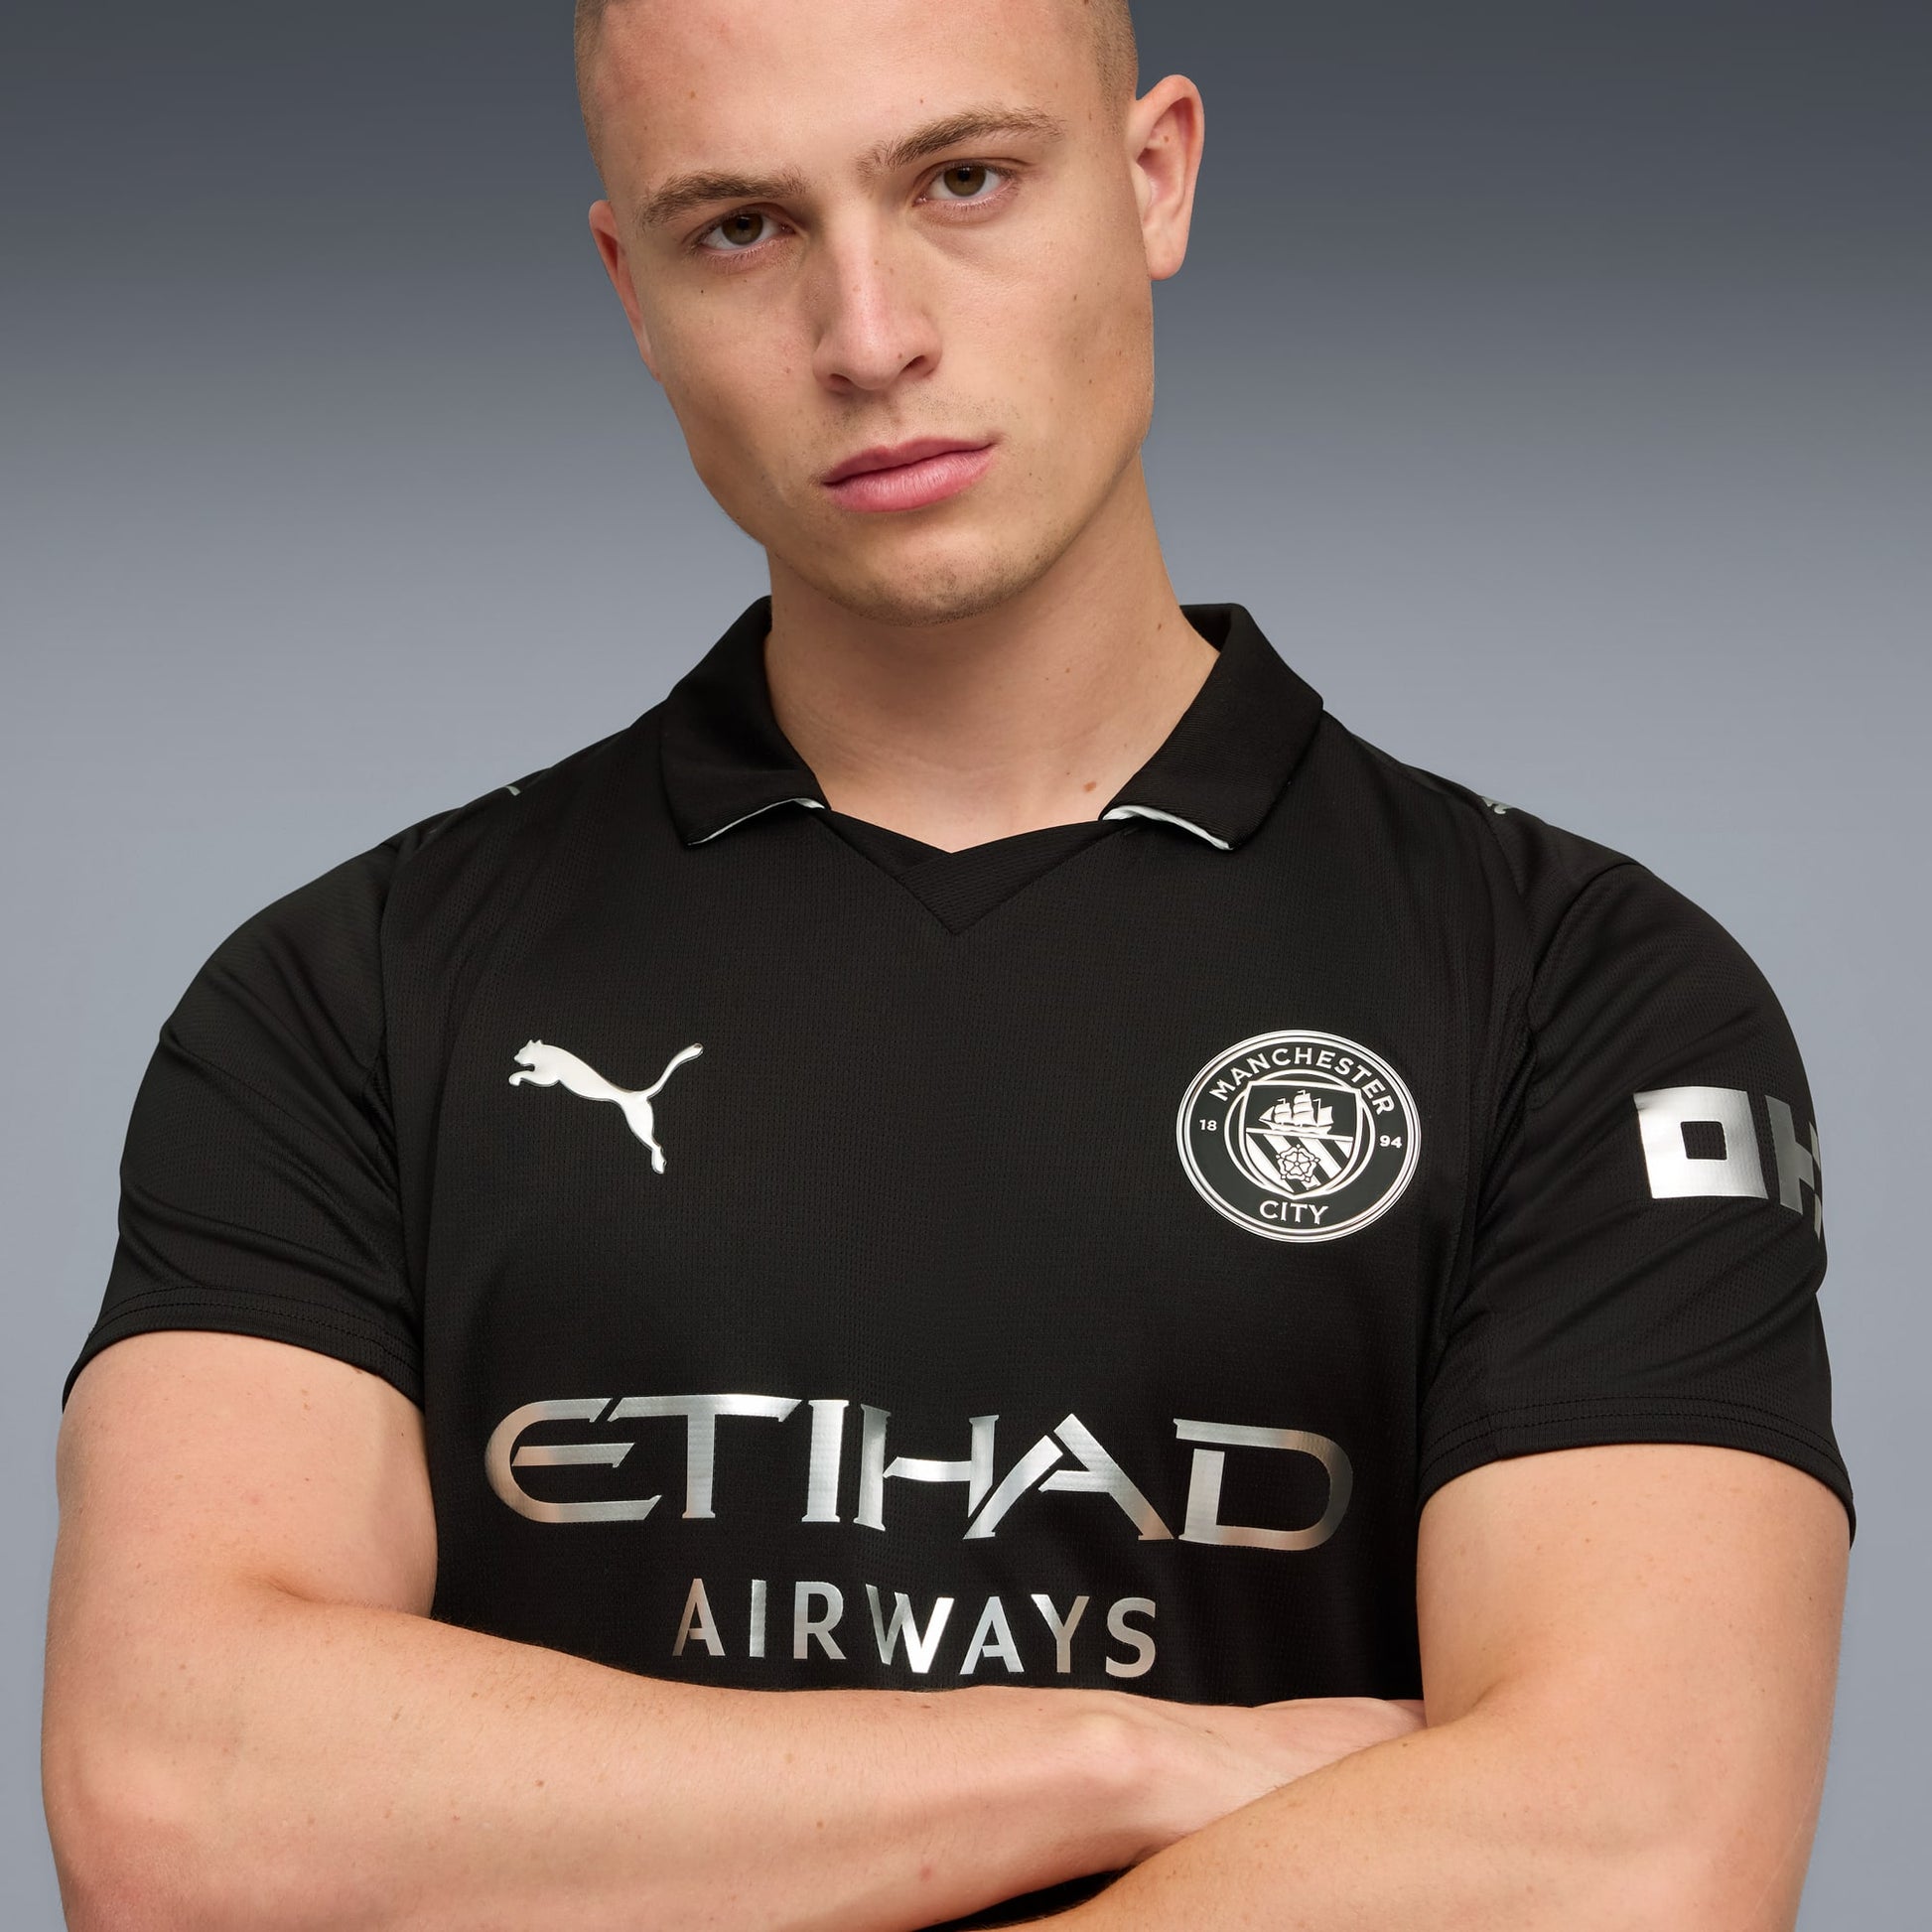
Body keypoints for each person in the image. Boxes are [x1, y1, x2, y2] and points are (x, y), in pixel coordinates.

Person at [42, 1, 1853, 1926]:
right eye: (741, 228)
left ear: (1153, 180)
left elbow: (1632, 1853)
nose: (868, 335)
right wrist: (1107, 1756)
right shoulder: (349, 995)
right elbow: (178, 1807)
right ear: (632, 287)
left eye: (963, 181)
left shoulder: (1580, 994)